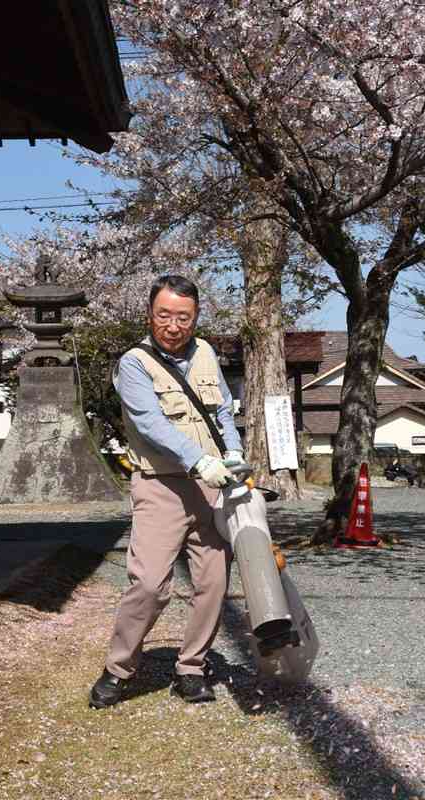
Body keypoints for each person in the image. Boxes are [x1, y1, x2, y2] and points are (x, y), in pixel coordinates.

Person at [89, 274, 244, 709]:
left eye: (184, 317)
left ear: (195, 319)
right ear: (149, 315)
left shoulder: (207, 353)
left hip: (213, 485)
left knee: (213, 582)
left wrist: (231, 452)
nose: (173, 325)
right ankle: (119, 669)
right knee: (151, 585)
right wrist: (200, 461)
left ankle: (191, 668)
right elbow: (150, 425)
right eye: (164, 315)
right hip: (160, 486)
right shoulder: (134, 363)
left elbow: (221, 412)